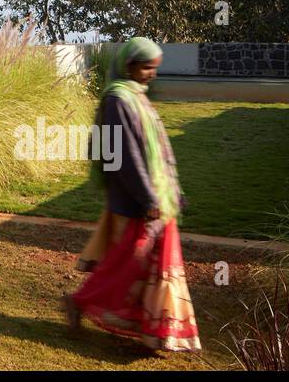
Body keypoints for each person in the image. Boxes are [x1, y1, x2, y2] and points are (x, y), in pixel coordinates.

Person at [64, 36, 200, 352]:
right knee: (131, 263)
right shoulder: (118, 100)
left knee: (143, 263)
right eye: (147, 67)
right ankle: (81, 301)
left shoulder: (136, 96)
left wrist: (169, 192)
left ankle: (153, 327)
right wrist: (148, 199)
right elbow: (124, 155)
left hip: (154, 197)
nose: (152, 74)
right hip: (138, 200)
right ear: (129, 65)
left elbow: (156, 151)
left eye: (155, 68)